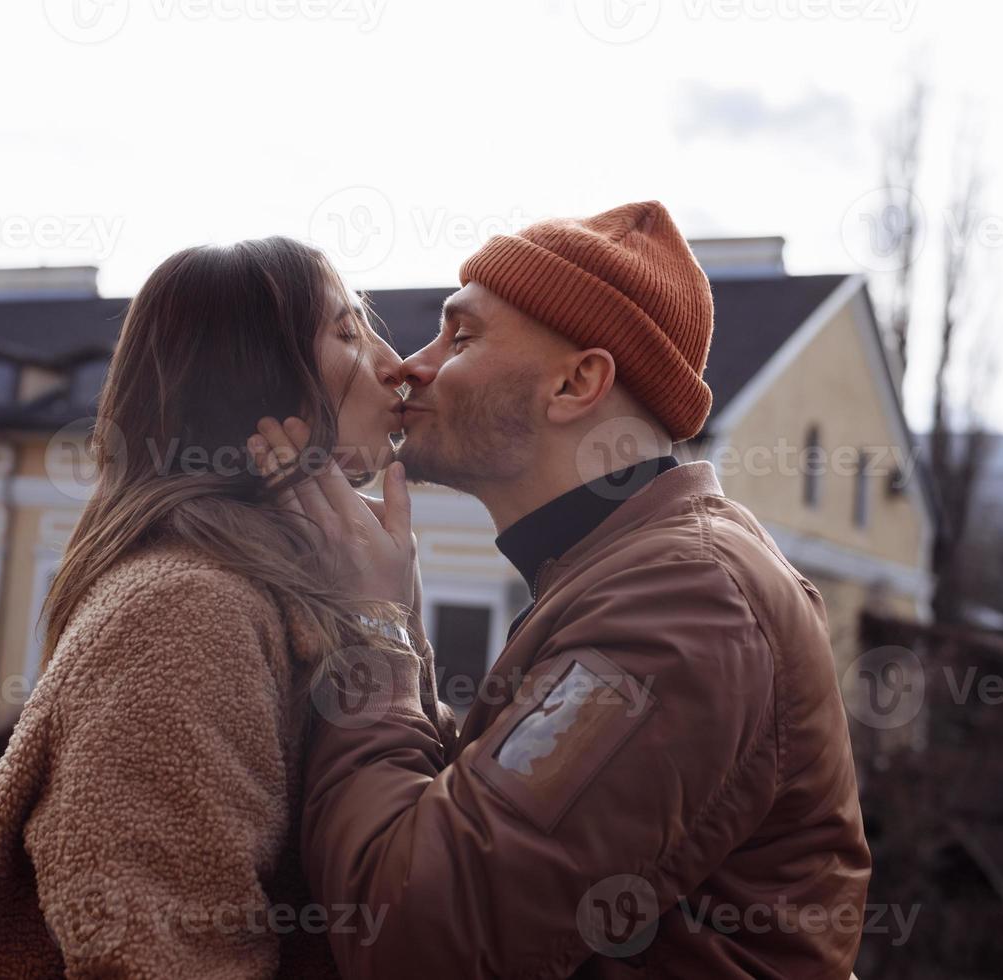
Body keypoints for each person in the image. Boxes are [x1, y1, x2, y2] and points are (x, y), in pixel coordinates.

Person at [253, 201, 872, 978]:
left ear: (578, 383)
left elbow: (412, 937)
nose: (414, 364)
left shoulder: (686, 606)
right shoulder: (625, 575)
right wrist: (396, 628)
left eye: (462, 335)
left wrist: (371, 634)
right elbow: (467, 825)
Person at [0, 237, 451, 979]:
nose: (395, 364)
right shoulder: (182, 611)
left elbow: (424, 827)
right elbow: (157, 954)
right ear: (257, 380)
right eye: (345, 331)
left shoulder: (301, 592)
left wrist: (389, 618)